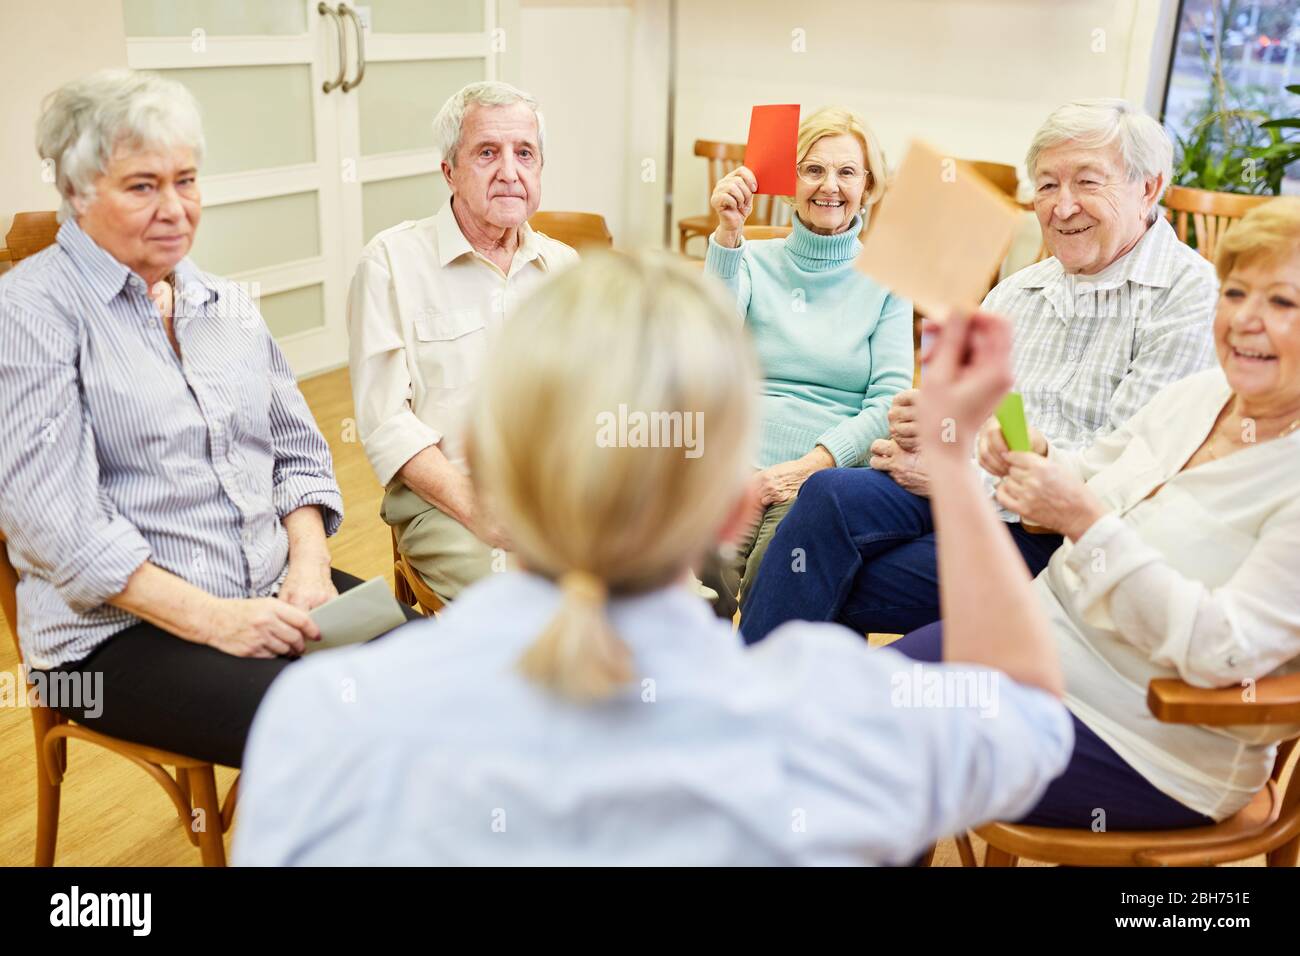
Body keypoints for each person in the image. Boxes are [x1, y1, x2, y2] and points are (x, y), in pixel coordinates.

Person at [235, 252, 1071, 865]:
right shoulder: (836, 716)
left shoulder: (320, 722)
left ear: (483, 468)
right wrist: (956, 472)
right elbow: (1031, 711)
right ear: (741, 505)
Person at [0, 69, 412, 769]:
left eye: (186, 180)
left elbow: (297, 454)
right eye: (142, 186)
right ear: (74, 194)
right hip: (112, 639)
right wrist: (221, 622)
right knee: (348, 736)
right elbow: (63, 533)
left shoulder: (224, 301)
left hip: (271, 591)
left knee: (443, 685)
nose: (175, 208)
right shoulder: (27, 314)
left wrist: (309, 567)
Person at [883, 198, 1300, 828]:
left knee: (880, 750)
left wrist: (1084, 521)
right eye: (1236, 291)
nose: (1245, 319)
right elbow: (1097, 475)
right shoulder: (1202, 395)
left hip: (1149, 741)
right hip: (1034, 647)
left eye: (1282, 302)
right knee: (843, 706)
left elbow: (1226, 652)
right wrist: (1041, 456)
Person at [741, 98, 1218, 643]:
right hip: (964, 495)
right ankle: (761, 701)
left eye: (1087, 182)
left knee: (816, 573)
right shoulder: (1018, 291)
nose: (1062, 208)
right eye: (1045, 186)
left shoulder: (1186, 295)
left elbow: (1123, 477)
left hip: (1055, 535)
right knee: (825, 494)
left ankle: (750, 703)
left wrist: (954, 477)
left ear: (1148, 188)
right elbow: (956, 413)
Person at [347, 81, 579, 605]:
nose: (510, 172)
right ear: (449, 170)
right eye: (487, 153)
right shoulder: (390, 263)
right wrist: (483, 511)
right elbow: (386, 422)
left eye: (525, 154)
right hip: (445, 499)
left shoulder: (564, 267)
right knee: (528, 609)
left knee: (665, 589)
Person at [696, 107, 914, 618]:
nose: (829, 186)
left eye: (846, 172)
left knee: (776, 576)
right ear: (790, 180)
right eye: (813, 169)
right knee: (702, 569)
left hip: (822, 472)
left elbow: (889, 406)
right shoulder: (751, 259)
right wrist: (728, 236)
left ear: (869, 186)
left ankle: (763, 685)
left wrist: (804, 469)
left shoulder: (889, 282)